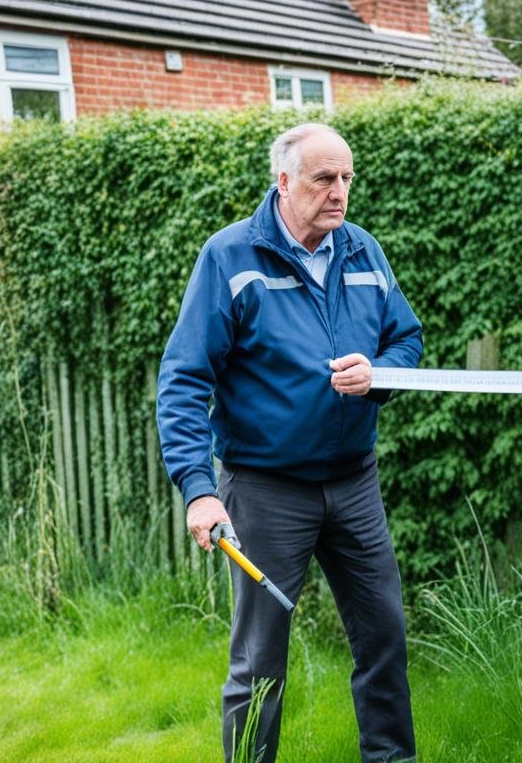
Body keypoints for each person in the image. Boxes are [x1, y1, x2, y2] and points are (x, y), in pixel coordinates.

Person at [157, 122, 421, 763]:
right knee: (259, 660)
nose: (340, 192)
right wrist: (198, 491)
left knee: (384, 637)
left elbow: (406, 339)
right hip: (265, 489)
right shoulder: (230, 258)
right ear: (284, 181)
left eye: (348, 178)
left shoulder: (364, 251)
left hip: (354, 482)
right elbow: (184, 377)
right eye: (324, 178)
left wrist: (377, 374)